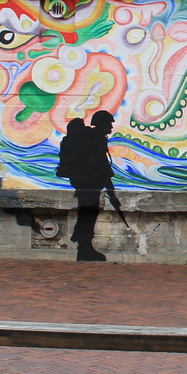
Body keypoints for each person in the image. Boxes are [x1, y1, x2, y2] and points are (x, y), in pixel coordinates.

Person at [58, 111, 116, 262]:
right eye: (109, 123)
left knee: (87, 210)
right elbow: (103, 166)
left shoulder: (91, 137)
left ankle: (82, 241)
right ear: (102, 124)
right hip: (88, 181)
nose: (111, 126)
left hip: (80, 180)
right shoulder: (96, 139)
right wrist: (112, 193)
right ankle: (83, 244)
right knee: (89, 211)